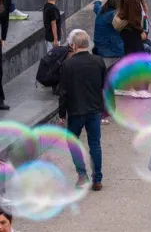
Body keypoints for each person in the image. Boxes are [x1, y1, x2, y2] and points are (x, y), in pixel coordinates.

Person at [57, 29, 107, 190]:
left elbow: (63, 91)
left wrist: (61, 113)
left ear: (73, 45)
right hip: (94, 109)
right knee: (95, 144)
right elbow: (103, 85)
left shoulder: (68, 64)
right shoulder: (99, 61)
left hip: (76, 110)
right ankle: (97, 179)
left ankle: (82, 174)